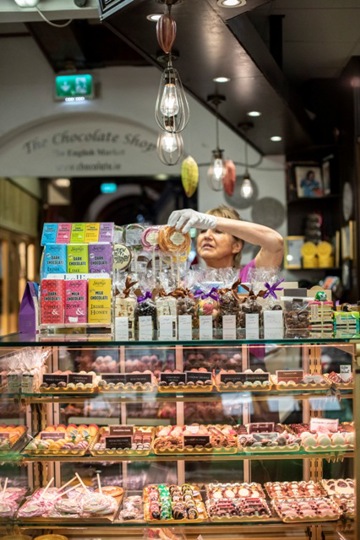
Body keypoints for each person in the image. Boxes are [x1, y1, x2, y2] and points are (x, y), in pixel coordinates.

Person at [167, 205, 284, 280]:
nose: (207, 236)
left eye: (218, 231)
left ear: (237, 246)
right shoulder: (190, 282)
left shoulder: (250, 275)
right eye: (202, 231)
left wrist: (214, 221)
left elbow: (275, 242)